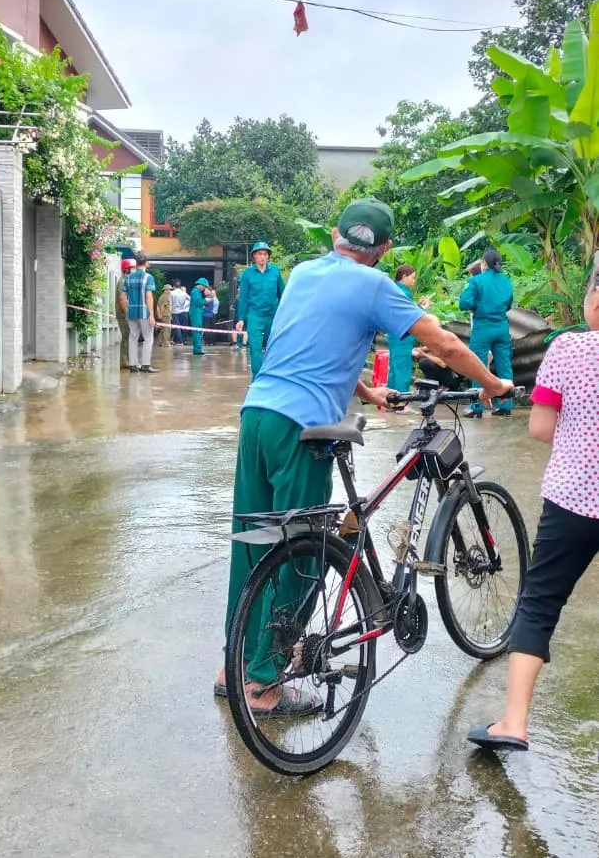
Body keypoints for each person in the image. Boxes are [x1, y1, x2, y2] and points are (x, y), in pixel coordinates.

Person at [214, 198, 513, 714]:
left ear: (336, 235)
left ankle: (232, 668)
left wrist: (368, 393)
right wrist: (491, 383)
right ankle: (263, 685)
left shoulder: (304, 272)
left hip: (258, 415)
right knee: (302, 553)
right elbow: (441, 340)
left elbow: (302, 345)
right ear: (385, 249)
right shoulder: (377, 284)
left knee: (253, 544)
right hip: (303, 430)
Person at [468, 259, 599, 752]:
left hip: (573, 499)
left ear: (595, 299)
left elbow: (541, 427)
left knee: (540, 602)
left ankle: (514, 723)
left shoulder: (568, 348)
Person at [459, 247, 514, 418]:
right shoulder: (506, 281)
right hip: (502, 327)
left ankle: (477, 407)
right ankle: (506, 404)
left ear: (484, 263)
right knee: (504, 364)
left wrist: (477, 307)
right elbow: (509, 305)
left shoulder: (477, 281)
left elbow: (464, 303)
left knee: (478, 365)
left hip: (483, 327)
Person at [235, 242, 285, 379]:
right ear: (254, 256)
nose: (262, 257)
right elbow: (243, 297)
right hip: (255, 315)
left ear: (268, 256)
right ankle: (257, 377)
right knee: (255, 347)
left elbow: (283, 294)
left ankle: (271, 375)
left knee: (273, 347)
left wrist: (286, 313)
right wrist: (240, 318)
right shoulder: (247, 274)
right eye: (259, 254)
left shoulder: (275, 272)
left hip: (273, 315)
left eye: (265, 254)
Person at [386, 265, 427, 394]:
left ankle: (391, 399)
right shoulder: (404, 292)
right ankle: (401, 402)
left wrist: (417, 305)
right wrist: (423, 309)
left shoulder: (395, 289)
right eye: (412, 278)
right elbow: (409, 316)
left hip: (394, 334)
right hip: (403, 336)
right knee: (403, 369)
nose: (414, 281)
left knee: (394, 368)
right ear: (404, 276)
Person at [122, 251, 158, 373]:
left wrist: (127, 311)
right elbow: (149, 296)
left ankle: (133, 365)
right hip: (144, 312)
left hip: (132, 312)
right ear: (146, 263)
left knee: (133, 338)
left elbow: (123, 296)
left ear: (136, 263)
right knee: (148, 338)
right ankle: (145, 366)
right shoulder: (149, 278)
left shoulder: (128, 278)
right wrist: (152, 314)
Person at [115, 257, 136, 370]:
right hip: (123, 314)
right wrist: (127, 314)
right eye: (132, 268)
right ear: (126, 269)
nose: (134, 270)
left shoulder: (127, 281)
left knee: (128, 336)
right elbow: (122, 299)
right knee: (127, 336)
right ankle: (124, 361)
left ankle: (127, 360)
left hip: (126, 312)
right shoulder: (123, 281)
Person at [190, 277, 210, 356]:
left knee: (198, 331)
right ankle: (197, 349)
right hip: (195, 313)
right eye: (205, 287)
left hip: (197, 313)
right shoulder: (195, 291)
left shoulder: (197, 292)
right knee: (197, 331)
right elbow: (198, 302)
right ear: (202, 285)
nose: (204, 289)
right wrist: (205, 301)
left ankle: (198, 348)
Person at [170, 280, 188, 345]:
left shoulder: (171, 293)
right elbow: (190, 299)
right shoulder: (184, 293)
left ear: (174, 286)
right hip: (182, 311)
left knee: (177, 327)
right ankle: (175, 340)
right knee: (180, 327)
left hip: (175, 312)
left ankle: (180, 341)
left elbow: (170, 303)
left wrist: (170, 314)